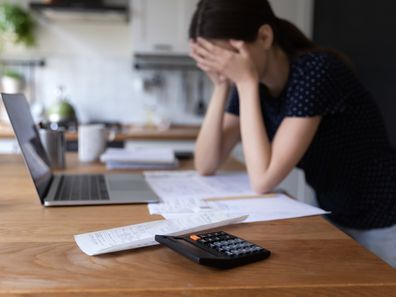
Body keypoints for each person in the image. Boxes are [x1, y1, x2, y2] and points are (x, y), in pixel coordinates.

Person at [189, 0, 396, 268]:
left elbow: (262, 179)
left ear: (264, 37)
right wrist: (220, 85)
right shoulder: (250, 84)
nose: (225, 67)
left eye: (228, 58)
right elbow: (206, 164)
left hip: (384, 214)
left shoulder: (315, 71)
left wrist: (245, 82)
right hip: (335, 210)